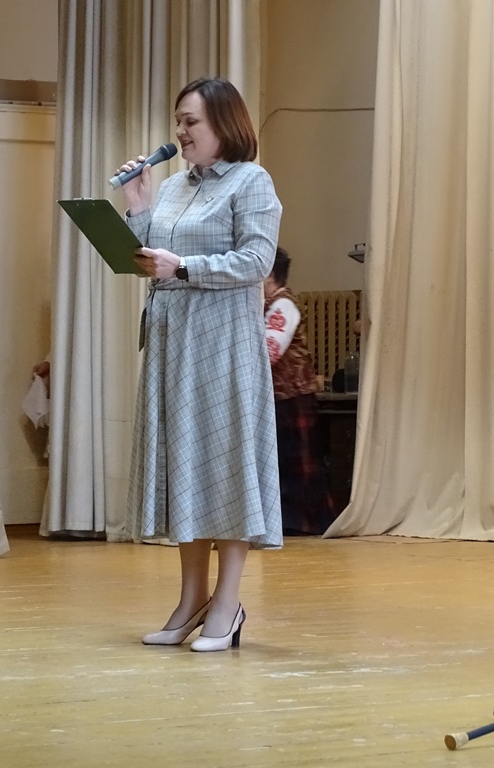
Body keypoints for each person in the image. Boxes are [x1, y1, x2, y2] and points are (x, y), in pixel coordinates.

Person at [117, 77, 283, 652]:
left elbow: (256, 260)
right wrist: (138, 206)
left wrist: (184, 267)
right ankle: (191, 600)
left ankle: (227, 603)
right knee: (185, 466)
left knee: (225, 466)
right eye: (178, 122)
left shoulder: (251, 181)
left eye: (191, 122)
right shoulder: (171, 187)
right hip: (172, 342)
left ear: (223, 124)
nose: (181, 132)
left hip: (223, 346)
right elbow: (148, 259)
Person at [264, 248, 337, 535]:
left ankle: (302, 523)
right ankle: (289, 521)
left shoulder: (284, 305)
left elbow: (270, 350)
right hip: (280, 398)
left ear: (269, 274)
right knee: (285, 462)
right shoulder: (269, 306)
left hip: (292, 398)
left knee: (296, 462)